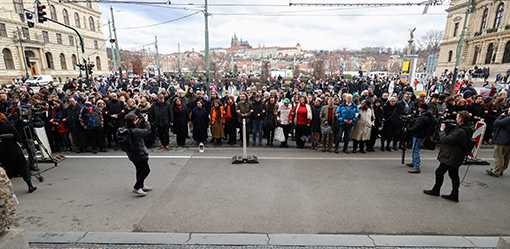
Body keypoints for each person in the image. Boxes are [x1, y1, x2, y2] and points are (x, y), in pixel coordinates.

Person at [424, 111, 472, 203]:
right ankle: (454, 194)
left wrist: (442, 130)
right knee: (453, 175)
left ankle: (436, 190)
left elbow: (446, 140)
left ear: (461, 119)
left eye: (457, 117)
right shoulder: (466, 128)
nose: (456, 118)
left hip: (452, 156)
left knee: (439, 172)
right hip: (456, 155)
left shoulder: (460, 131)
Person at [0, 112, 37, 193]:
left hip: (3, 151)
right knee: (23, 167)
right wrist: (21, 143)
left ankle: (6, 190)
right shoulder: (9, 125)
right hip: (14, 149)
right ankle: (30, 186)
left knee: (8, 170)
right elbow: (18, 137)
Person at [124, 114, 152, 197]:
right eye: (136, 119)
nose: (137, 120)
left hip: (131, 153)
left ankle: (141, 185)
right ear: (133, 121)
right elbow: (147, 131)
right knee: (146, 170)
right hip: (139, 153)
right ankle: (137, 187)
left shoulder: (127, 129)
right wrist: (146, 121)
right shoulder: (135, 131)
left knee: (139, 170)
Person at [407, 104, 434, 173]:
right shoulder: (428, 116)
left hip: (418, 135)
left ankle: (416, 167)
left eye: (419, 107)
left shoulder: (423, 117)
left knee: (415, 150)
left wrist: (409, 129)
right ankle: (414, 163)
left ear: (421, 108)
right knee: (415, 149)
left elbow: (417, 126)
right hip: (422, 135)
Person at [487, 108, 510, 177]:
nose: (508, 111)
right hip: (508, 141)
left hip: (502, 140)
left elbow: (496, 123)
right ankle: (501, 170)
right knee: (506, 157)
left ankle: (497, 171)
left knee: (499, 156)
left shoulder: (508, 119)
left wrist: (501, 116)